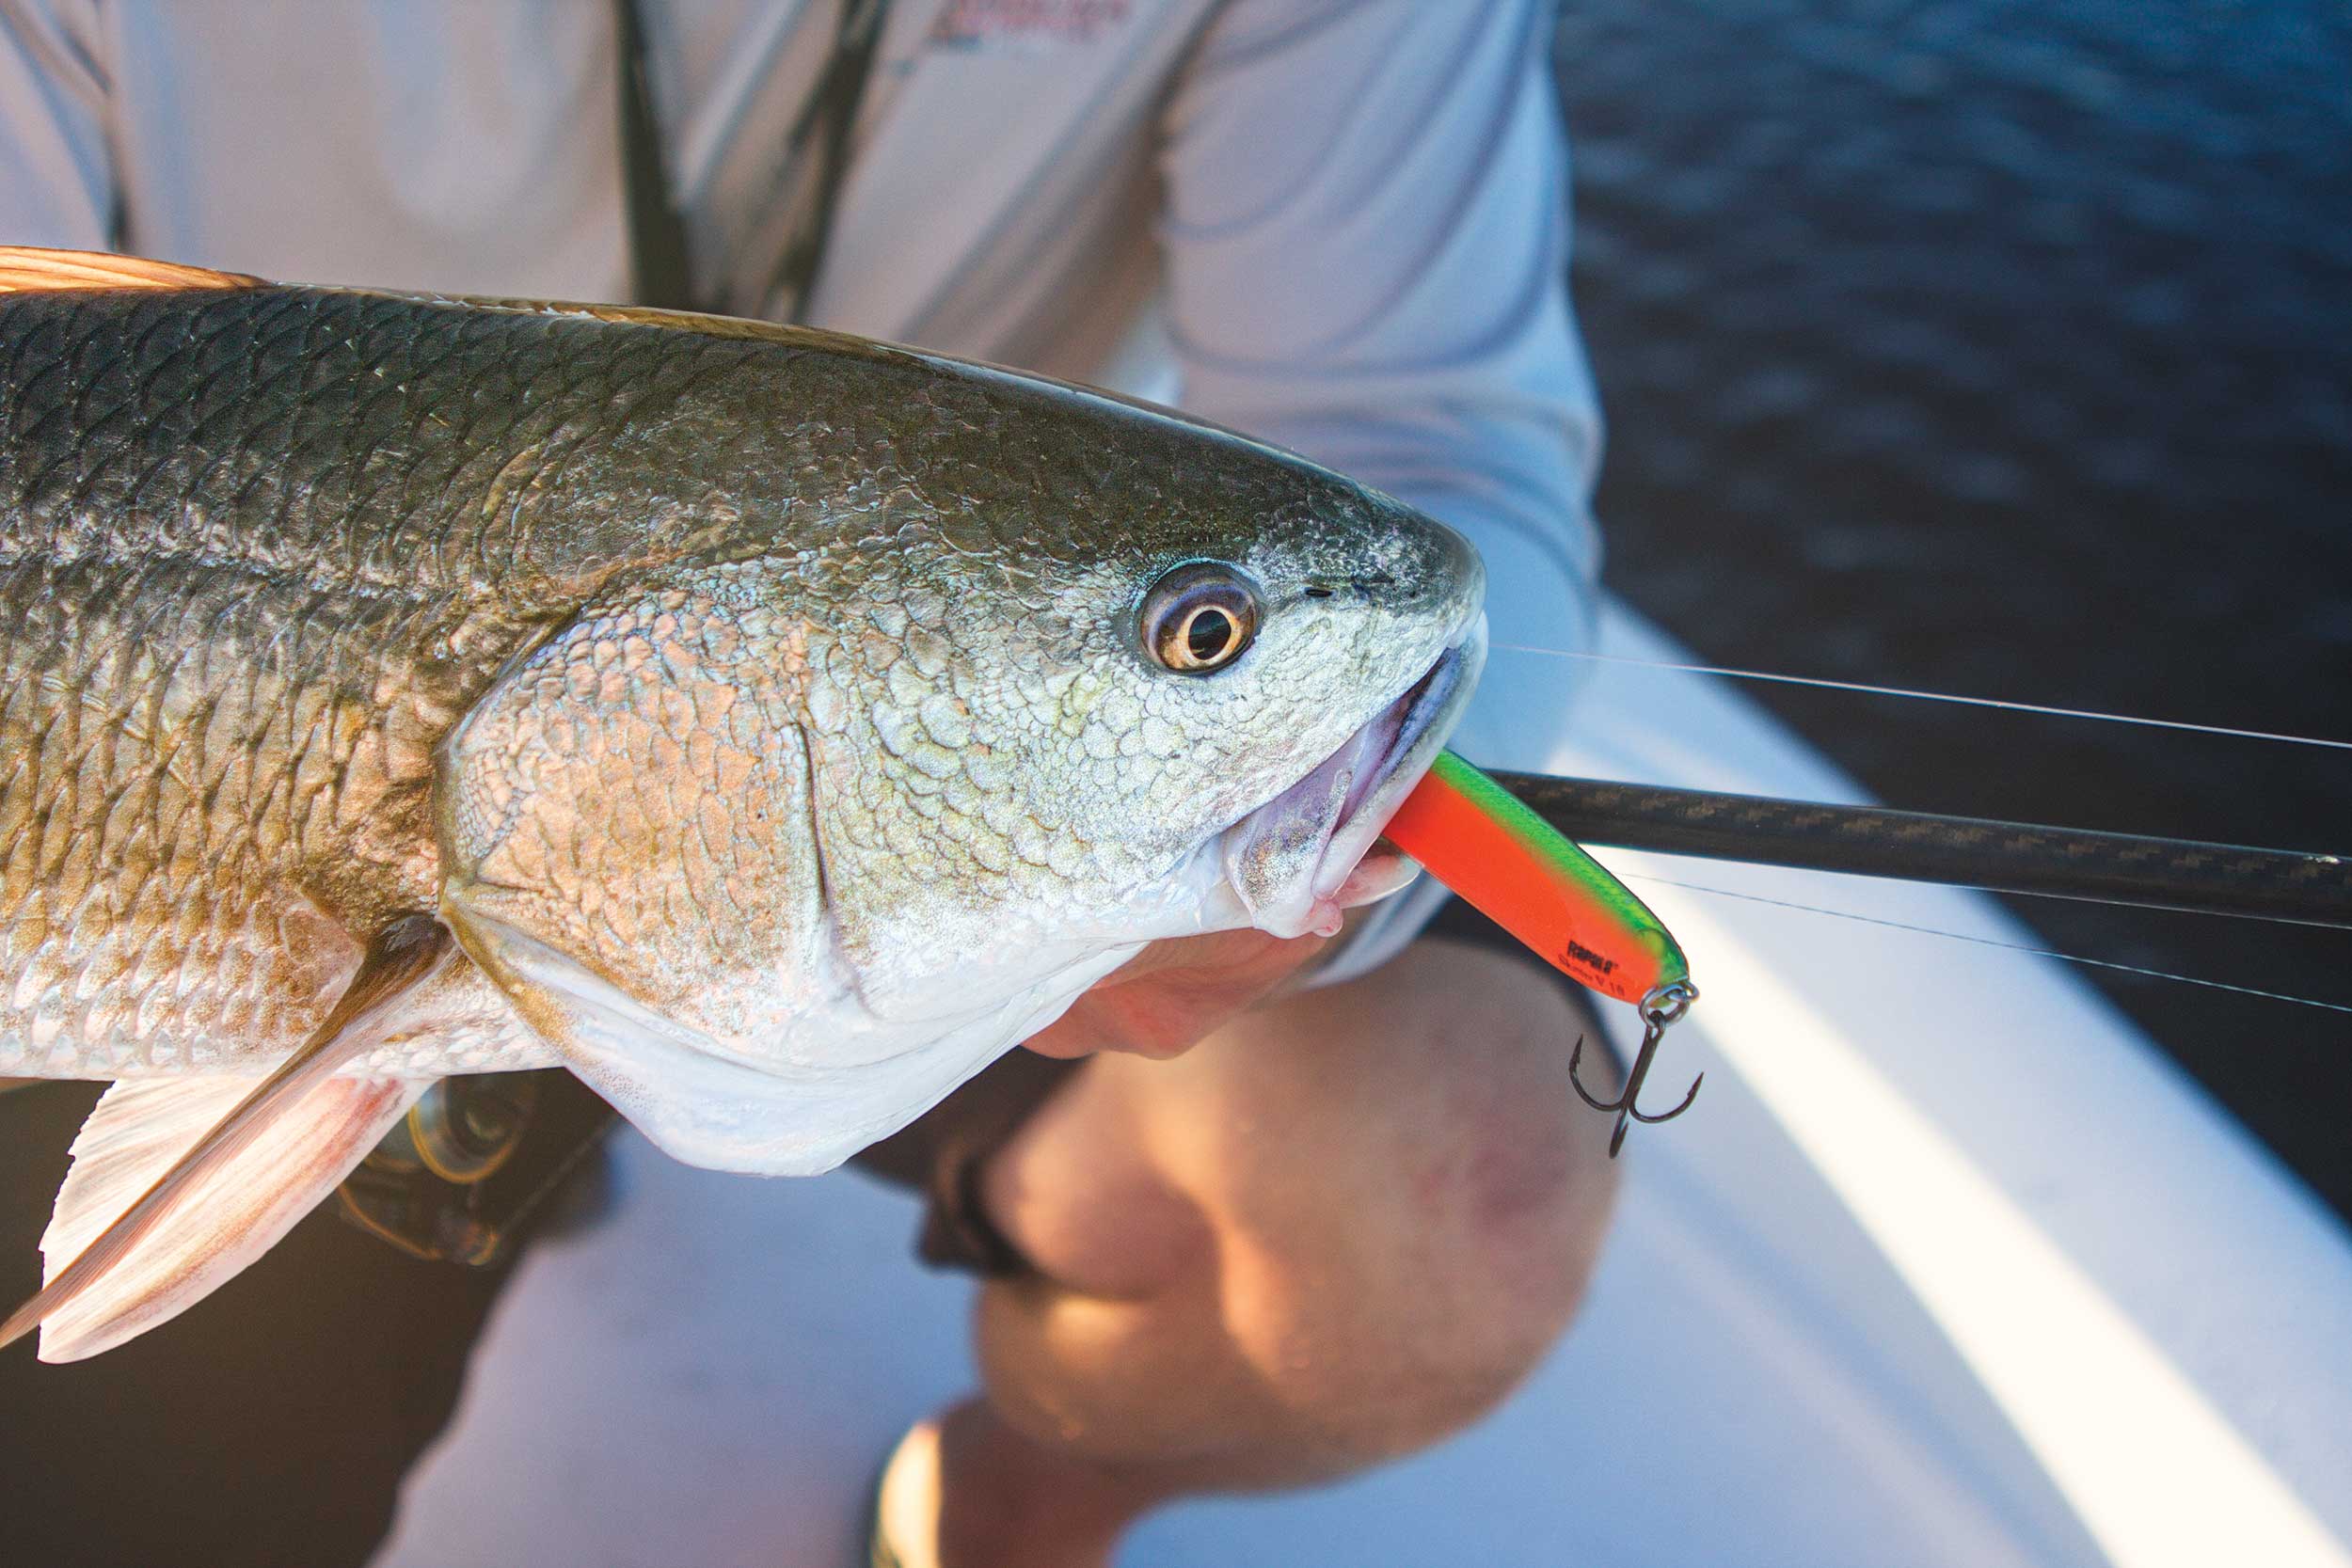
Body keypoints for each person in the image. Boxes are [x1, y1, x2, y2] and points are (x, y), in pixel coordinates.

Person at [0, 2, 1621, 1563]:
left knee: (1457, 1185)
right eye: (1203, 638)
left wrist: (1310, 880)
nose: (1219, 649)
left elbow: (1428, 457)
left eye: (1198, 638)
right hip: (413, 807)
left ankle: (1012, 1511)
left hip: (875, 874)